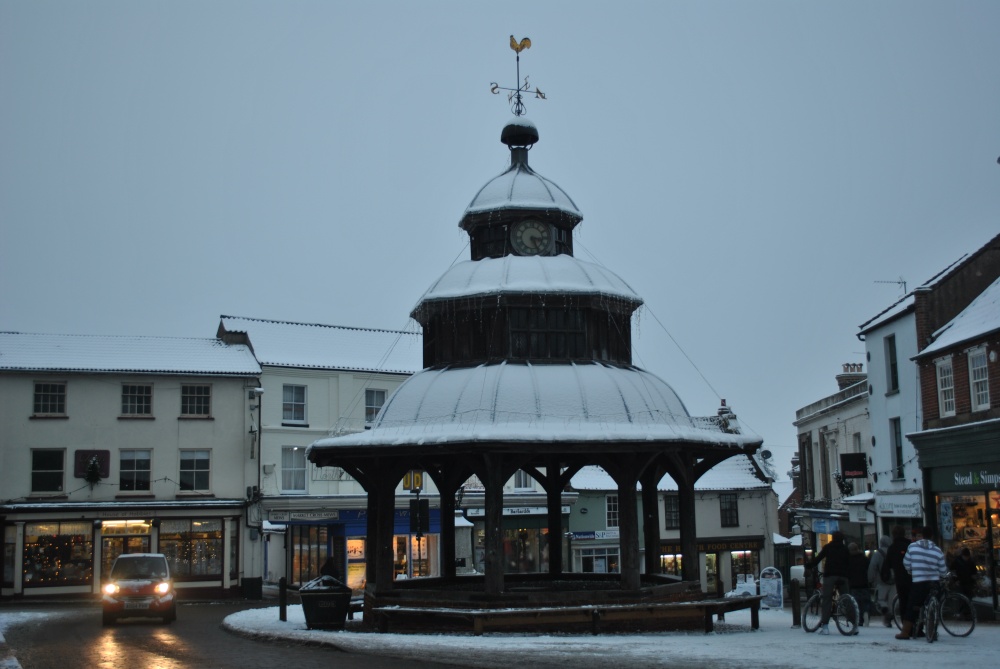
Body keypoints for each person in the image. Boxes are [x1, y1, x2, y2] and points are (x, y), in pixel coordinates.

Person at [897, 525, 948, 640]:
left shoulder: (912, 547)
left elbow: (906, 563)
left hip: (918, 582)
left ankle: (905, 632)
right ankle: (932, 630)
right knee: (934, 603)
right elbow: (943, 570)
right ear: (932, 536)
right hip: (934, 582)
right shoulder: (937, 550)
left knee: (912, 607)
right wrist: (941, 575)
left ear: (921, 534)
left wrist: (911, 571)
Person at [805, 531, 851, 635]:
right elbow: (849, 563)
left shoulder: (828, 547)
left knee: (827, 599)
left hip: (830, 575)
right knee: (847, 598)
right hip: (843, 576)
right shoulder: (845, 549)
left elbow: (818, 559)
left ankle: (825, 626)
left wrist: (809, 566)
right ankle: (854, 623)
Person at [882, 525, 912, 631]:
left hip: (900, 579)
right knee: (913, 601)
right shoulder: (910, 545)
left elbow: (887, 564)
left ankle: (906, 627)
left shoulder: (892, 547)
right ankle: (917, 624)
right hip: (913, 577)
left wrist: (885, 576)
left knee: (903, 602)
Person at [868, 534, 896, 627]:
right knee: (891, 601)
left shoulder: (878, 554)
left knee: (881, 599)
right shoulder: (893, 552)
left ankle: (885, 611)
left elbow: (872, 566)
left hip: (881, 581)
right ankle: (888, 620)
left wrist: (870, 578)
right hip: (893, 581)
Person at [847, 542, 871, 627]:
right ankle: (866, 612)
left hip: (854, 584)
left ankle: (859, 620)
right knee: (865, 601)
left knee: (856, 603)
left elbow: (847, 572)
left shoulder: (849, 560)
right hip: (864, 583)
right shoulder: (864, 558)